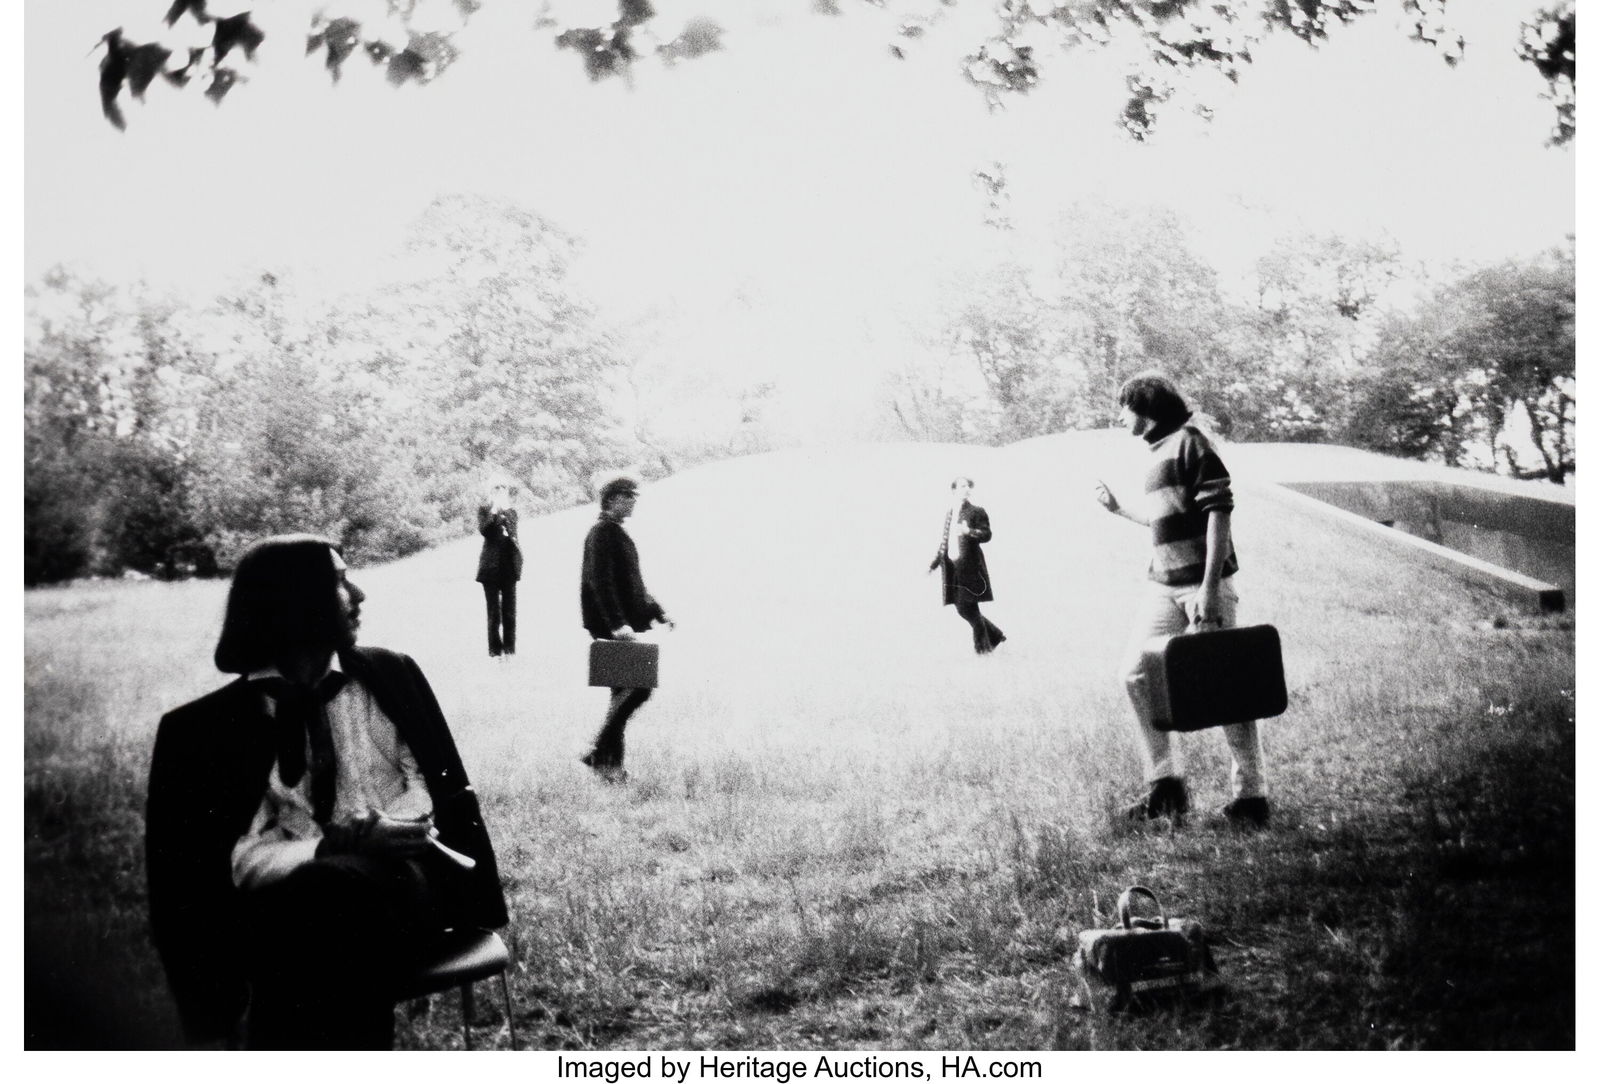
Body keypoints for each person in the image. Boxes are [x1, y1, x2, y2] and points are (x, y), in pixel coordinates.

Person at [145, 535, 508, 1049]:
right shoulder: (205, 730)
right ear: (295, 602)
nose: (359, 594)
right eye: (339, 581)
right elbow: (224, 864)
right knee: (324, 919)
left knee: (319, 917)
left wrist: (381, 828)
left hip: (403, 882)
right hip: (289, 906)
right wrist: (330, 846)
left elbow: (431, 786)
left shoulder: (390, 677)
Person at [1094, 373, 1270, 828]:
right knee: (1134, 673)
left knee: (1231, 689)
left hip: (1202, 586)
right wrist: (1118, 511)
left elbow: (1219, 514)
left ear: (1146, 408)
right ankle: (1167, 787)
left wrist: (1209, 589)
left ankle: (1251, 797)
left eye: (1124, 408)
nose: (1119, 416)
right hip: (1162, 586)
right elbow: (1163, 523)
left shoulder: (1192, 443)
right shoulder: (1154, 454)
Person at [579, 476, 673, 783]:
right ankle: (597, 750)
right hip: (610, 625)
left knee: (621, 692)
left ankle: (611, 768)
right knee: (639, 688)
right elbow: (600, 582)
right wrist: (617, 624)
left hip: (620, 623)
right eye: (628, 496)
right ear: (612, 499)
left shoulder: (615, 532)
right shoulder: (601, 533)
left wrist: (659, 612)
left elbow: (634, 583)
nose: (634, 501)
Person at [928, 475, 1006, 654]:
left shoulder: (977, 511)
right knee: (962, 609)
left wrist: (968, 531)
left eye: (968, 486)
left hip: (970, 568)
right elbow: (944, 542)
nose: (966, 489)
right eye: (962, 486)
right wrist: (933, 565)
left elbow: (987, 535)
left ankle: (983, 650)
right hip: (952, 569)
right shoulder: (950, 513)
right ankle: (995, 636)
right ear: (954, 490)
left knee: (968, 608)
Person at [476, 481, 523, 658]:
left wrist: (504, 513)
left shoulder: (511, 512)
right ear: (490, 491)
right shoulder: (484, 510)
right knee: (494, 612)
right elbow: (485, 530)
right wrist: (494, 512)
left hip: (509, 567)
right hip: (490, 568)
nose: (500, 491)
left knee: (510, 612)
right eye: (496, 488)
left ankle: (510, 650)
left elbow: (513, 534)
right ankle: (495, 652)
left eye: (503, 488)